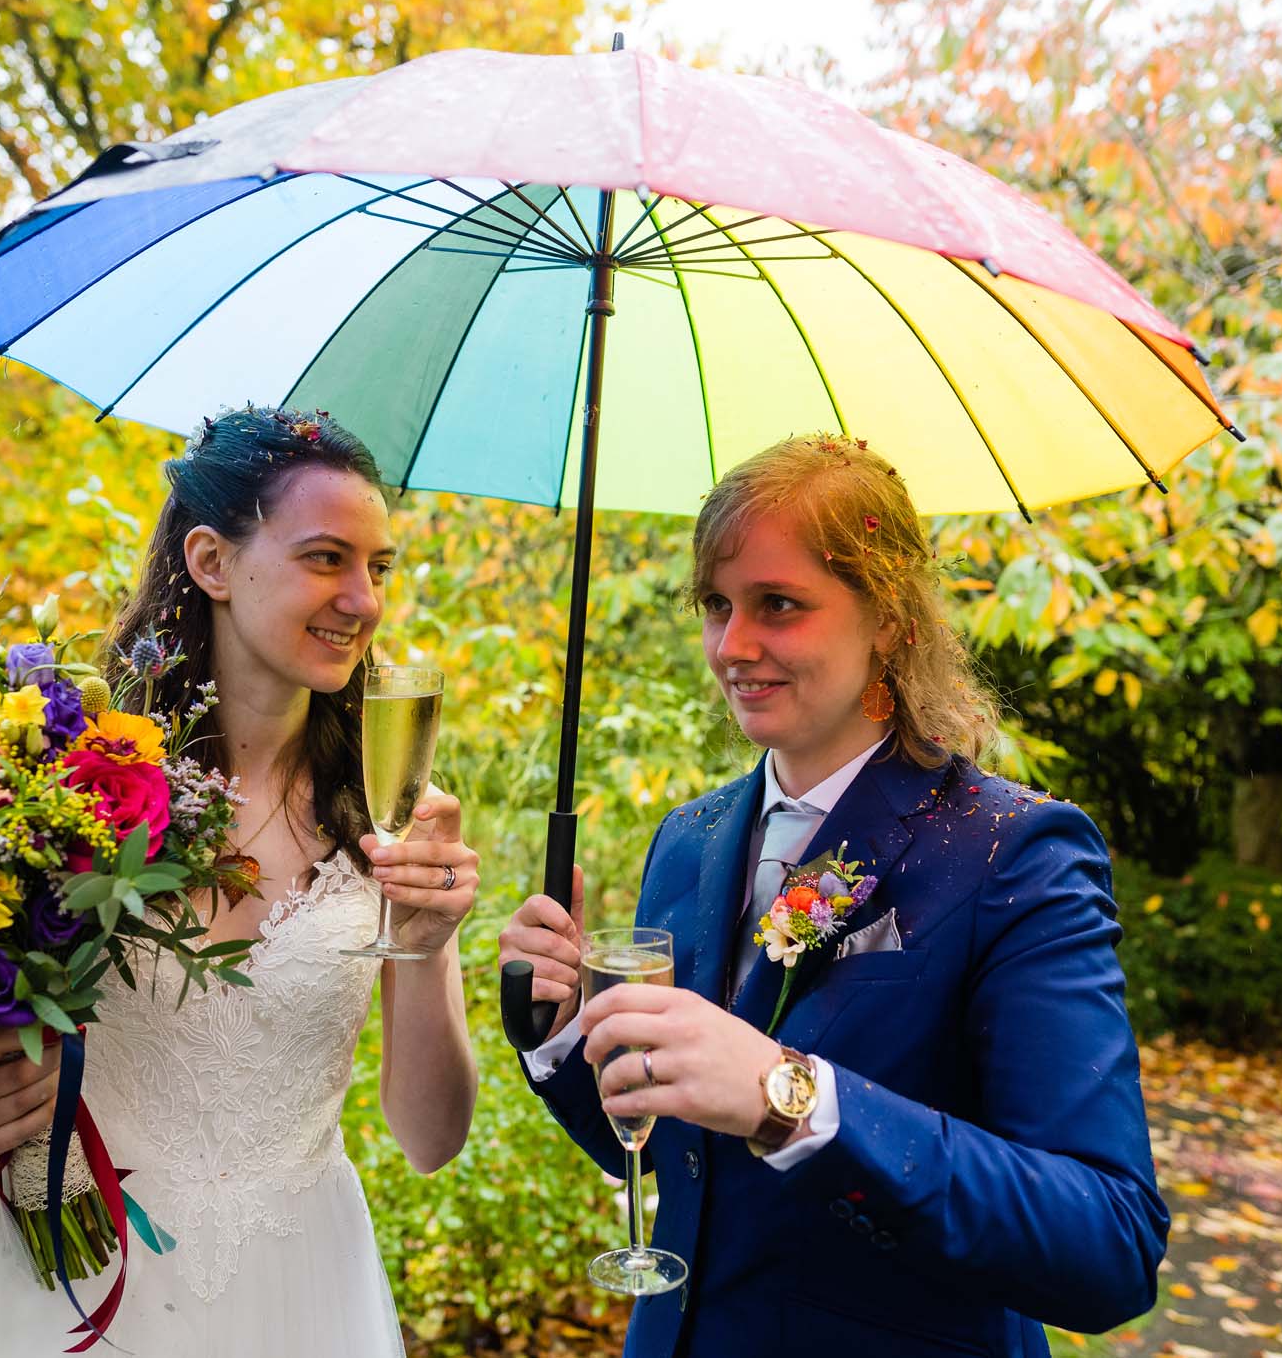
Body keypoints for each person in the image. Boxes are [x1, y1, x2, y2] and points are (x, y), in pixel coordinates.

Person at [0, 407, 480, 1357]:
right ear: (211, 562)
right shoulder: (61, 778)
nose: (364, 599)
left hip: (295, 1285)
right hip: (52, 1282)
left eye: (379, 567)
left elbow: (432, 1137)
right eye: (326, 558)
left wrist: (427, 945)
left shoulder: (389, 807)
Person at [499, 433, 1167, 1358]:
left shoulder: (1012, 854)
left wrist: (792, 1097)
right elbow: (686, 1166)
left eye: (778, 605)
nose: (732, 645)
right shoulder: (687, 843)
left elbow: (1105, 1243)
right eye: (716, 605)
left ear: (887, 617)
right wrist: (566, 1029)